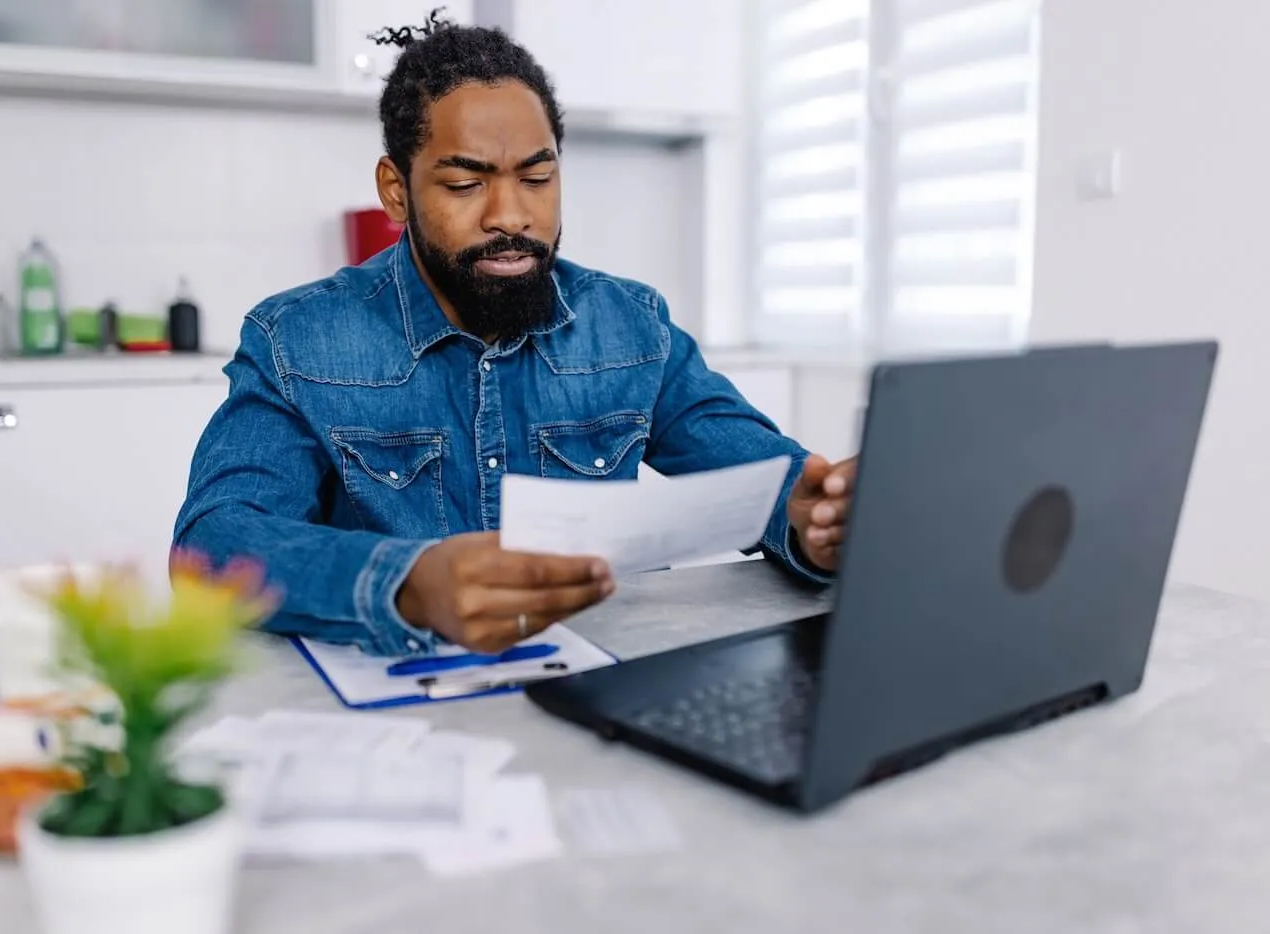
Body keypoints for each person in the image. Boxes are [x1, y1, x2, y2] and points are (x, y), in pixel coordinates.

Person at [172, 12, 858, 658]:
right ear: (396, 191)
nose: (511, 214)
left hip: (596, 695)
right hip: (398, 714)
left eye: (537, 177)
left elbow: (763, 475)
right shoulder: (298, 339)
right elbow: (211, 545)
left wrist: (811, 521)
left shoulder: (631, 325)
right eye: (466, 183)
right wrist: (407, 582)